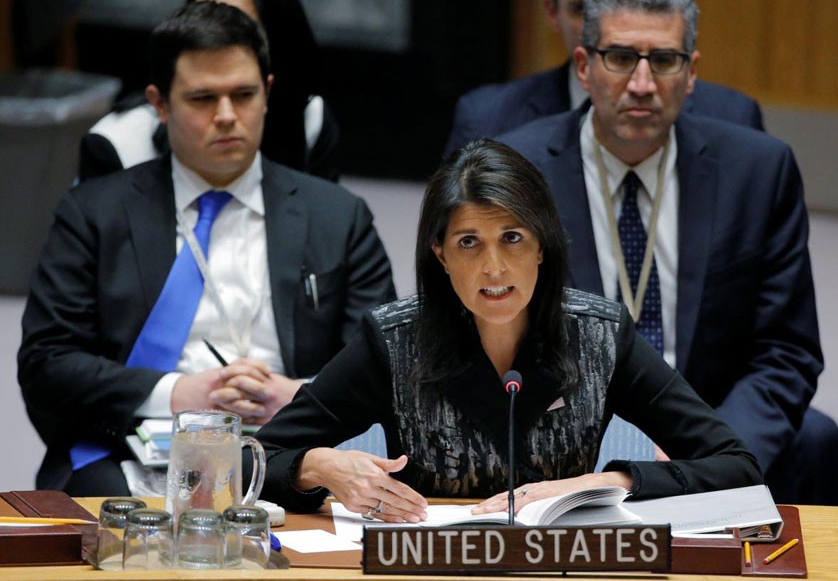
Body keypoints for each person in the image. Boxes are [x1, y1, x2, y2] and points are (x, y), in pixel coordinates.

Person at [250, 139, 761, 520]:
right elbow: (252, 460)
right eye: (469, 242)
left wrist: (603, 482)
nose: (494, 267)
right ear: (441, 255)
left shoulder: (600, 336)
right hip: (434, 570)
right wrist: (317, 466)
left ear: (542, 246)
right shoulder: (395, 341)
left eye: (512, 238)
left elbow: (736, 465)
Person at [18, 0, 395, 496]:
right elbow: (47, 363)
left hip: (292, 452)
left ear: (268, 94)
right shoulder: (94, 213)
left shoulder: (338, 216)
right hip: (132, 450)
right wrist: (178, 392)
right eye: (202, 98)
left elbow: (385, 367)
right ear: (159, 103)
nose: (226, 116)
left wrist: (299, 396)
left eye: (243, 94)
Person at [496, 0, 838, 505]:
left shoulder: (757, 171)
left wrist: (714, 458)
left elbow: (785, 351)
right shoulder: (517, 171)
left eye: (664, 60)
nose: (642, 83)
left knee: (816, 441)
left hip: (709, 427)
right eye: (620, 58)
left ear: (692, 74)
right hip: (565, 434)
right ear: (584, 66)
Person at [443, 0, 763, 156]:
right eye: (584, 8)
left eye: (621, 0)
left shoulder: (733, 117)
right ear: (552, 13)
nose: (602, 21)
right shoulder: (488, 119)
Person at [78, 0, 341, 182]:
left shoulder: (309, 118)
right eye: (201, 19)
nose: (212, 37)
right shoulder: (120, 142)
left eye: (235, 28)